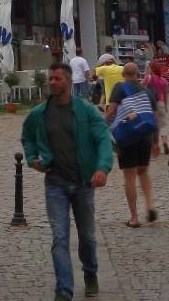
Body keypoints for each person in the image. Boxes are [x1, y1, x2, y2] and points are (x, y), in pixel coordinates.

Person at [22, 62, 113, 300]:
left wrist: (102, 167)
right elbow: (27, 137)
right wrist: (32, 159)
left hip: (83, 183)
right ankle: (64, 289)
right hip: (55, 184)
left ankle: (90, 272)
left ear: (69, 81)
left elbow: (103, 137)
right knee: (59, 237)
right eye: (50, 78)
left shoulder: (86, 110)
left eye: (57, 78)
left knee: (87, 236)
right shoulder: (40, 113)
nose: (52, 82)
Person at [106, 61, 160, 227]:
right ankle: (149, 205)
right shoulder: (146, 90)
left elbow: (111, 110)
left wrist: (103, 127)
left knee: (129, 176)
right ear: (138, 74)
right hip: (145, 136)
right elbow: (155, 117)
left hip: (127, 136)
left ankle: (134, 217)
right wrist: (155, 141)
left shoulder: (119, 88)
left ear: (123, 75)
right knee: (143, 171)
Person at [143, 61, 169, 155]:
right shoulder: (163, 80)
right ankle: (164, 141)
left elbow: (141, 89)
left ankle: (153, 145)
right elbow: (165, 95)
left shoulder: (148, 78)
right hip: (160, 103)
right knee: (163, 124)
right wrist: (165, 106)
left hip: (149, 104)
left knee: (151, 125)